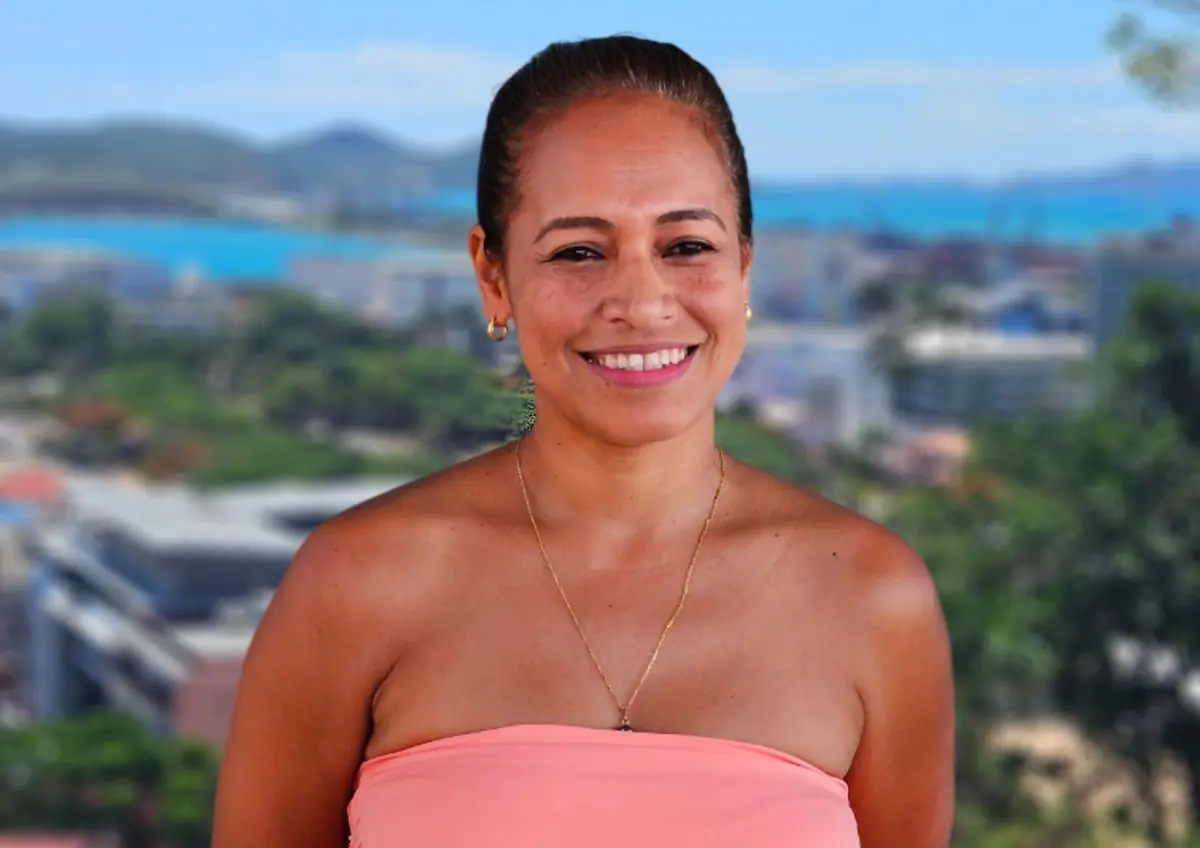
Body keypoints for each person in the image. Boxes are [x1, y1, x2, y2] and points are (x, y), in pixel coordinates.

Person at [212, 34, 955, 848]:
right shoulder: (354, 585)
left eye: (686, 247)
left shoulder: (874, 598)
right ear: (493, 276)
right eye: (579, 252)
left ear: (744, 266)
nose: (641, 302)